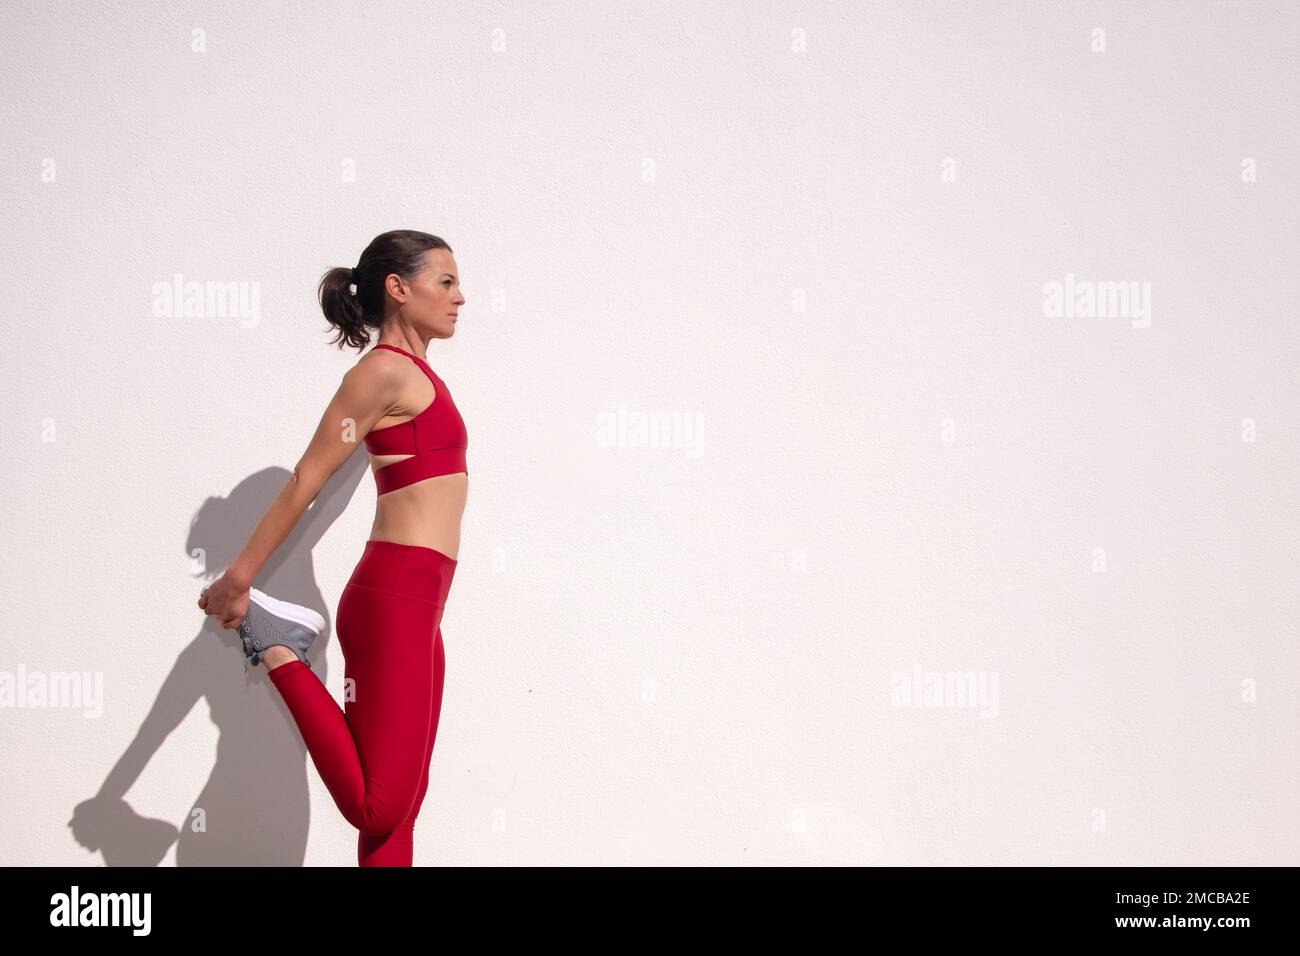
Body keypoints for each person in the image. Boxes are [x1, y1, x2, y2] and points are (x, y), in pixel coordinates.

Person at [197, 229, 468, 866]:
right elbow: (308, 478)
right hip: (394, 595)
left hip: (423, 605)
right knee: (377, 805)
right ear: (399, 289)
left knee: (400, 813)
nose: (461, 298)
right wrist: (239, 579)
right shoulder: (378, 373)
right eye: (447, 282)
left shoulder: (417, 373)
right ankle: (276, 642)